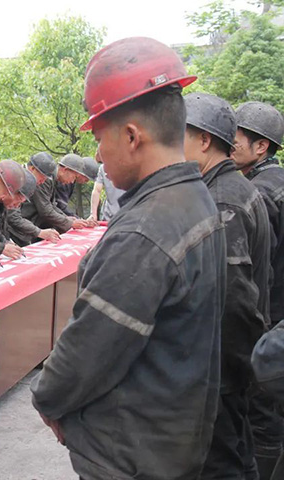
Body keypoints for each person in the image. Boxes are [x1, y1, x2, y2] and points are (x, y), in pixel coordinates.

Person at [30, 37, 226, 479]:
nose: (98, 154)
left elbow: (90, 347)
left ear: (132, 137)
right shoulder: (195, 200)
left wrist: (47, 397)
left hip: (132, 453)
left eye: (100, 138)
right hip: (174, 437)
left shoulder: (144, 231)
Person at [183, 92, 270, 479]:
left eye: (178, 136)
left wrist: (223, 378)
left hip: (221, 374)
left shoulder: (222, 203)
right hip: (231, 370)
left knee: (221, 465)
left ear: (204, 140)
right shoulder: (232, 189)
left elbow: (233, 302)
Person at [231, 101, 284, 480]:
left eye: (233, 140)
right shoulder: (273, 182)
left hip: (268, 318)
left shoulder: (259, 194)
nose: (225, 145)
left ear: (261, 146)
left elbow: (253, 271)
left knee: (262, 417)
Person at [20, 153, 91, 233]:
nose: (72, 181)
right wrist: (70, 223)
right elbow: (45, 209)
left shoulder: (52, 179)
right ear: (65, 170)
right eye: (74, 177)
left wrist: (66, 218)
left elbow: (52, 205)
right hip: (24, 225)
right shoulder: (45, 178)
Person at [7, 169, 61, 246]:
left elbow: (51, 204)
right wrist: (39, 232)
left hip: (24, 232)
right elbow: (13, 217)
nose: (43, 182)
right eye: (42, 177)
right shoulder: (19, 180)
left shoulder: (31, 183)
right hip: (16, 232)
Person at [88, 158, 125, 222]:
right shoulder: (103, 168)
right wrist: (93, 214)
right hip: (108, 215)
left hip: (128, 214)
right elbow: (97, 190)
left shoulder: (133, 167)